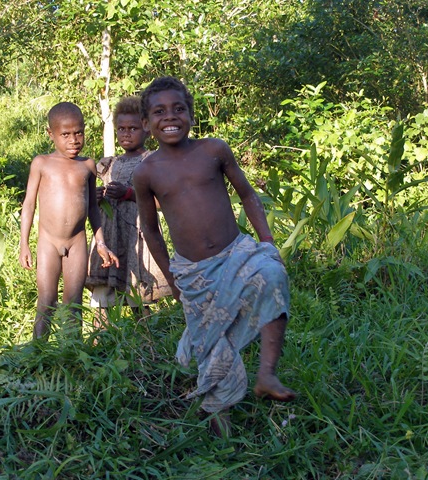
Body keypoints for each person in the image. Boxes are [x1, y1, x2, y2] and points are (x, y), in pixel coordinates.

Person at [133, 76, 296, 435]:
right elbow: (151, 231)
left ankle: (267, 374)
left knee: (272, 275)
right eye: (159, 112)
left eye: (179, 109)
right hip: (193, 272)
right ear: (146, 124)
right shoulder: (146, 173)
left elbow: (248, 194)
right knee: (210, 345)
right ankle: (219, 424)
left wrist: (267, 241)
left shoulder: (213, 150)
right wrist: (172, 279)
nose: (170, 117)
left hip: (237, 252)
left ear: (191, 115)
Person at [19, 102, 119, 340]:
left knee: (73, 302)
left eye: (79, 133)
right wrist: (24, 244)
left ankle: (72, 350)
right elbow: (29, 204)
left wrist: (101, 243)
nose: (73, 140)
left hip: (76, 243)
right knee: (47, 300)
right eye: (65, 134)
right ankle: (38, 350)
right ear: (50, 134)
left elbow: (92, 208)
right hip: (48, 242)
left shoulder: (87, 165)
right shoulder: (41, 163)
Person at [85, 97, 172, 326]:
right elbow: (88, 201)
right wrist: (95, 198)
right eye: (121, 129)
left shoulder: (153, 161)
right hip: (110, 236)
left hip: (137, 236)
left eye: (133, 129)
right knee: (103, 296)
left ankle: (146, 342)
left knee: (139, 295)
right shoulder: (107, 164)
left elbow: (164, 202)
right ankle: (101, 340)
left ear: (147, 129)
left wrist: (130, 194)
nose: (126, 134)